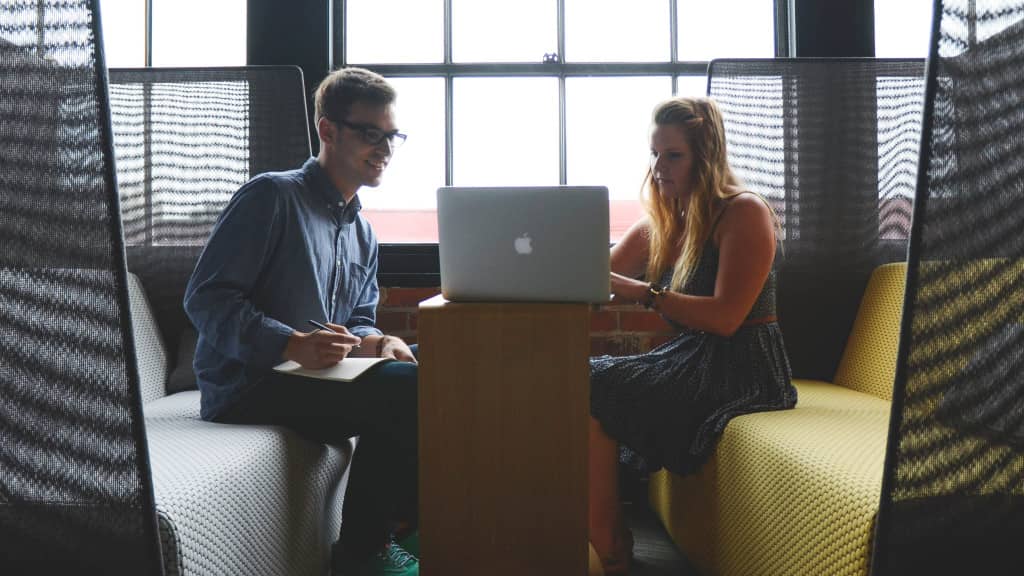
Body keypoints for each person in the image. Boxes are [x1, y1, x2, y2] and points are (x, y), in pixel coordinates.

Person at [184, 67, 420, 576]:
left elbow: (357, 319)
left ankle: (415, 528)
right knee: (409, 390)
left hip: (312, 380)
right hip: (248, 383)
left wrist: (377, 340)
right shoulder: (271, 196)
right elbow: (206, 299)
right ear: (328, 129)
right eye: (369, 133)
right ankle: (362, 553)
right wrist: (291, 344)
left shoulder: (363, 232)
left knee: (432, 369)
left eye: (392, 135)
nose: (384, 148)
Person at [588, 96, 797, 574]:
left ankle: (606, 542)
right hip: (690, 355)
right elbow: (595, 279)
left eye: (673, 155)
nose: (659, 167)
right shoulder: (663, 221)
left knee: (595, 384)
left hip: (744, 364)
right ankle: (606, 534)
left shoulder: (743, 212)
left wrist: (644, 293)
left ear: (706, 157)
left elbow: (727, 318)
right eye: (654, 154)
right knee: (582, 379)